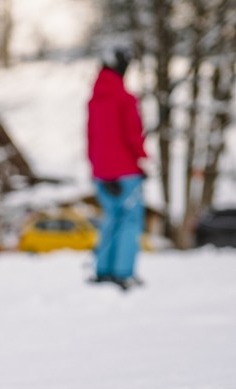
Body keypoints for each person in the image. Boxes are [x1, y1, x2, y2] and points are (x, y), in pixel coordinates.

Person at [87, 45, 149, 291]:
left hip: (102, 174)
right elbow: (133, 135)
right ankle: (123, 273)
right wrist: (141, 160)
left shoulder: (93, 101)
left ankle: (103, 270)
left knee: (110, 220)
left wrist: (98, 170)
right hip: (126, 172)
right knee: (130, 221)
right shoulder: (125, 98)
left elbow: (91, 139)